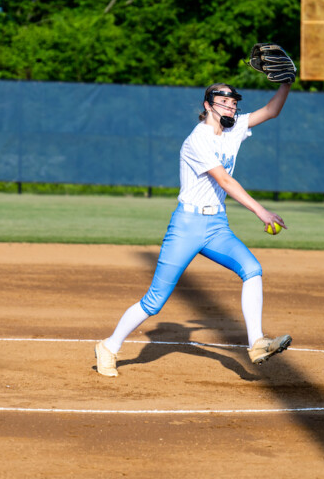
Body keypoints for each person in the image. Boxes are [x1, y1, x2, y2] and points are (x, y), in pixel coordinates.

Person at [95, 81, 293, 377]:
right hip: (187, 225)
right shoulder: (197, 140)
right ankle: (108, 347)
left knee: (252, 269)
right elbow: (225, 181)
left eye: (234, 102)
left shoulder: (235, 127)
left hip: (217, 226)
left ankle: (256, 343)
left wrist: (286, 84)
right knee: (155, 300)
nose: (231, 107)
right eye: (224, 102)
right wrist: (260, 211)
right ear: (208, 105)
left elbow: (272, 110)